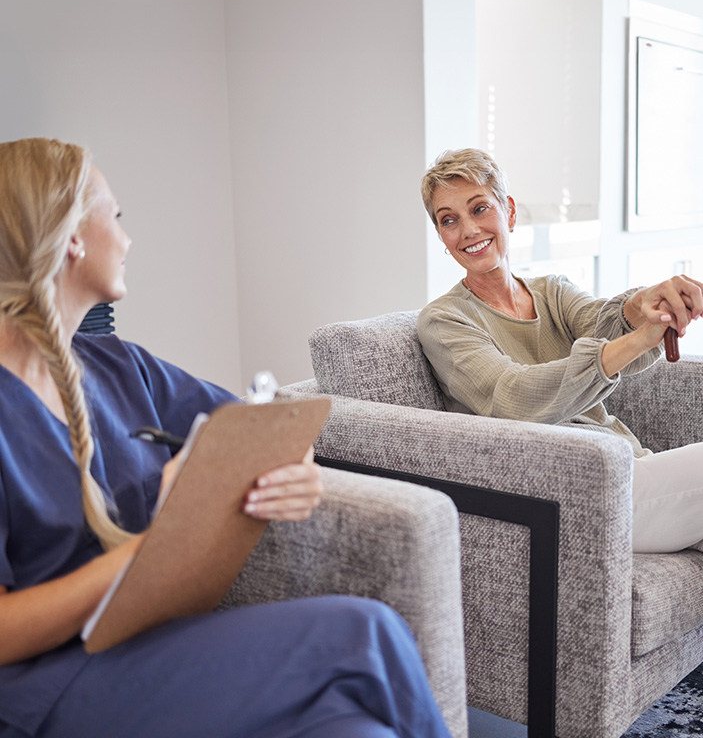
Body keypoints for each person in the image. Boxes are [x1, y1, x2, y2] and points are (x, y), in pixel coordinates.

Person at [0, 137, 452, 738]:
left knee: (353, 729)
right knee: (367, 633)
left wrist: (294, 471)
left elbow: (265, 429)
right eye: (117, 216)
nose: (128, 240)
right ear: (74, 238)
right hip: (46, 685)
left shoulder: (120, 366)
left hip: (154, 645)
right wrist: (151, 550)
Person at [417, 147, 703, 672]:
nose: (467, 230)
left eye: (479, 208)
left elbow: (606, 318)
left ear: (509, 211)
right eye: (448, 219)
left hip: (635, 477)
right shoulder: (444, 322)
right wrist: (640, 335)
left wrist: (646, 305)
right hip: (579, 492)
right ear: (441, 236)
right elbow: (513, 397)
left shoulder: (550, 292)